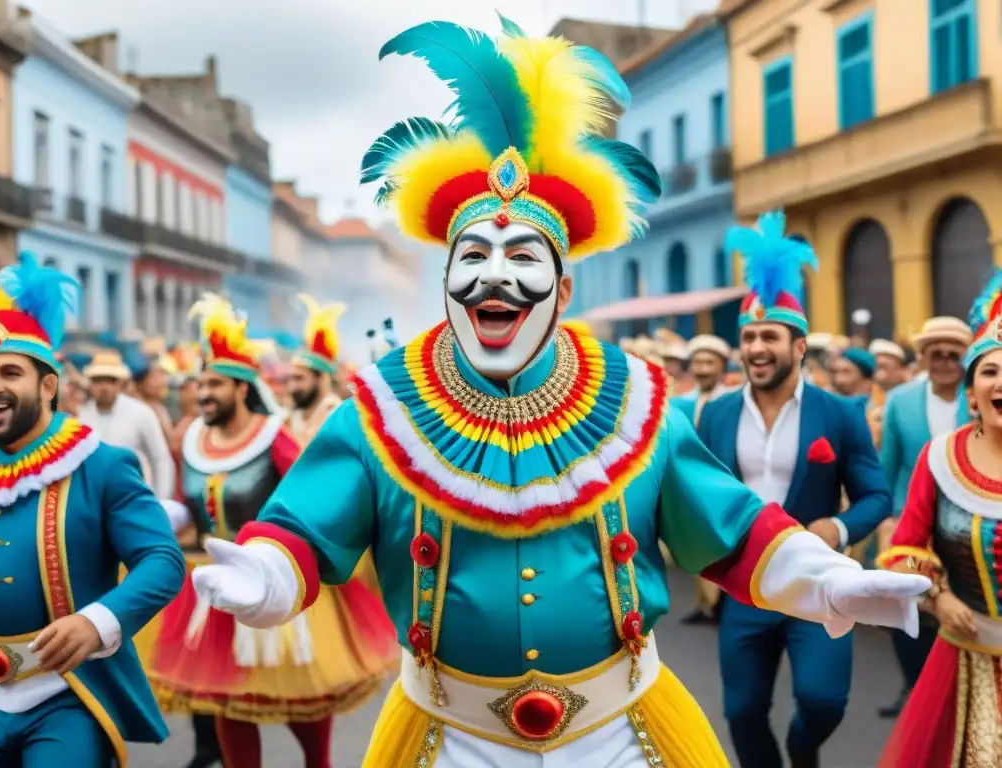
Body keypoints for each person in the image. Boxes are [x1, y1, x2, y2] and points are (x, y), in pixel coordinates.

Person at [186, 19, 928, 768]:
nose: (494, 275)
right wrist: (269, 573)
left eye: (521, 256)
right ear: (447, 285)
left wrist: (829, 579)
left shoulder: (636, 403)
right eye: (471, 255)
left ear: (563, 288)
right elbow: (307, 529)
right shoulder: (384, 410)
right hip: (451, 739)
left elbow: (731, 529)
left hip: (620, 734)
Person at [148, 293, 397, 768]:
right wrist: (159, 516)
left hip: (276, 577)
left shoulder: (273, 435)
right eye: (200, 385)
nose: (203, 395)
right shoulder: (192, 440)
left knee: (299, 698)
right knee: (228, 702)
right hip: (214, 586)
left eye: (214, 385)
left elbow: (308, 500)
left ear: (242, 388)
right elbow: (186, 504)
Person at [698, 212, 894, 768]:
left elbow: (876, 496)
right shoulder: (716, 415)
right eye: (749, 337)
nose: (757, 348)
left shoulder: (841, 413)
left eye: (770, 337)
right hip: (746, 582)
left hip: (819, 580)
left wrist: (836, 527)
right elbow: (699, 492)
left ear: (800, 345)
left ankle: (803, 752)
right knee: (741, 711)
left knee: (824, 700)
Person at [0, 254, 185, 766]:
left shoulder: (102, 465)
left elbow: (163, 560)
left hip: (66, 695)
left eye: (10, 372)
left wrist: (98, 622)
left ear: (48, 386)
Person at [876, 271, 1002, 767]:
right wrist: (939, 595)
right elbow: (905, 549)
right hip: (967, 658)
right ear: (972, 393)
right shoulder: (940, 459)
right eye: (990, 371)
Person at [877, 315, 973, 717]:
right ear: (923, 357)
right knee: (906, 607)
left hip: (969, 523)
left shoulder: (983, 396)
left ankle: (961, 691)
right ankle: (915, 687)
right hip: (909, 521)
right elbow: (889, 465)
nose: (946, 361)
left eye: (954, 354)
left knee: (964, 607)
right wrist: (886, 519)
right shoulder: (900, 400)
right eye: (937, 353)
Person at [672, 333, 734, 626]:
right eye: (698, 362)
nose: (704, 368)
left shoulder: (732, 402)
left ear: (722, 366)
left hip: (724, 483)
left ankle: (724, 602)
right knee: (696, 544)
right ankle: (705, 602)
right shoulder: (681, 404)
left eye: (710, 362)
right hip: (688, 484)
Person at [78, 350, 176, 500]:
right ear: (90, 384)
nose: (104, 387)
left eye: (110, 380)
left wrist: (161, 499)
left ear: (120, 383)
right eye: (98, 381)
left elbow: (160, 458)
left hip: (134, 497)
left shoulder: (141, 413)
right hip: (94, 499)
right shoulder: (81, 416)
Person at [287, 296, 347, 445]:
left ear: (321, 378)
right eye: (292, 379)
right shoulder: (295, 417)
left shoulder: (336, 416)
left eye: (299, 379)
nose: (292, 386)